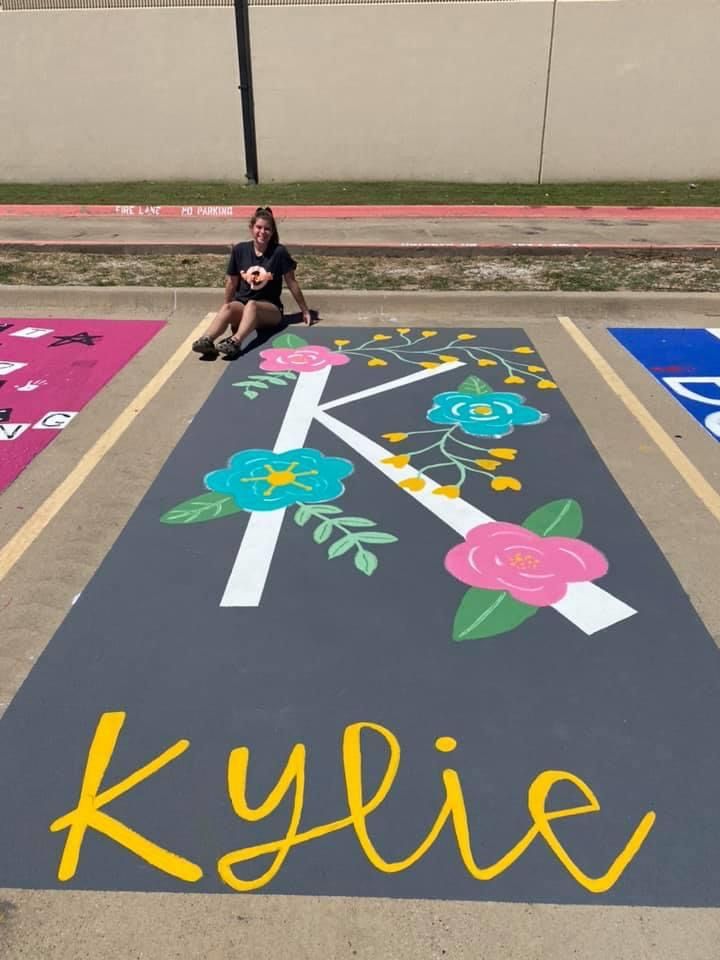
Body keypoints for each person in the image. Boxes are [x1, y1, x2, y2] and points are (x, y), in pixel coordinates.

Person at [191, 206, 313, 360]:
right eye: (259, 227)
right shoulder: (240, 250)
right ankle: (207, 340)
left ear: (272, 232)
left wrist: (305, 310)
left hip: (270, 310)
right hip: (243, 305)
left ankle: (235, 342)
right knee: (229, 307)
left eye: (267, 229)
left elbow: (292, 282)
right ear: (251, 228)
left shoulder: (279, 252)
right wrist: (228, 311)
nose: (262, 232)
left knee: (252, 305)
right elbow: (231, 283)